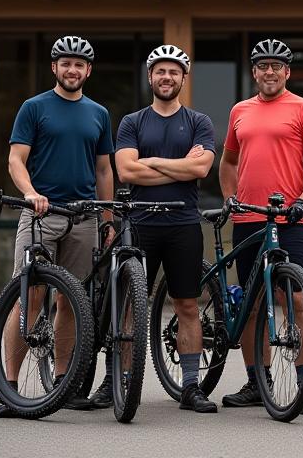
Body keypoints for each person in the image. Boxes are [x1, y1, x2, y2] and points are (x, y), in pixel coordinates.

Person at [0, 35, 114, 417]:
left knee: (71, 301)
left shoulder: (98, 113)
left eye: (79, 64)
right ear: (54, 67)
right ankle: (8, 387)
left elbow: (103, 169)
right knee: (27, 296)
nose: (72, 69)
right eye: (66, 63)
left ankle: (65, 384)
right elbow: (16, 159)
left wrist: (107, 218)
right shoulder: (34, 108)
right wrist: (30, 193)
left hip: (83, 218)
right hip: (41, 214)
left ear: (88, 71)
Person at [219, 39, 303, 415]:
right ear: (254, 72)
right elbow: (229, 162)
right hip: (248, 217)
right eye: (262, 66)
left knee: (297, 299)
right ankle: (257, 380)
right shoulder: (240, 110)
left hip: (290, 219)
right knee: (252, 306)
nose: (269, 71)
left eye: (276, 66)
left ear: (287, 72)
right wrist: (229, 196)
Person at [112, 44, 217, 413]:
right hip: (139, 223)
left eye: (174, 72)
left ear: (183, 79)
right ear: (150, 76)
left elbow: (201, 170)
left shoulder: (199, 122)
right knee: (127, 308)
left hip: (184, 223)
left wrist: (151, 161)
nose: (167, 77)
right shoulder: (132, 122)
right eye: (160, 71)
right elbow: (126, 171)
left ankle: (190, 387)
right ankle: (119, 380)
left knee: (187, 305)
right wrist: (177, 165)